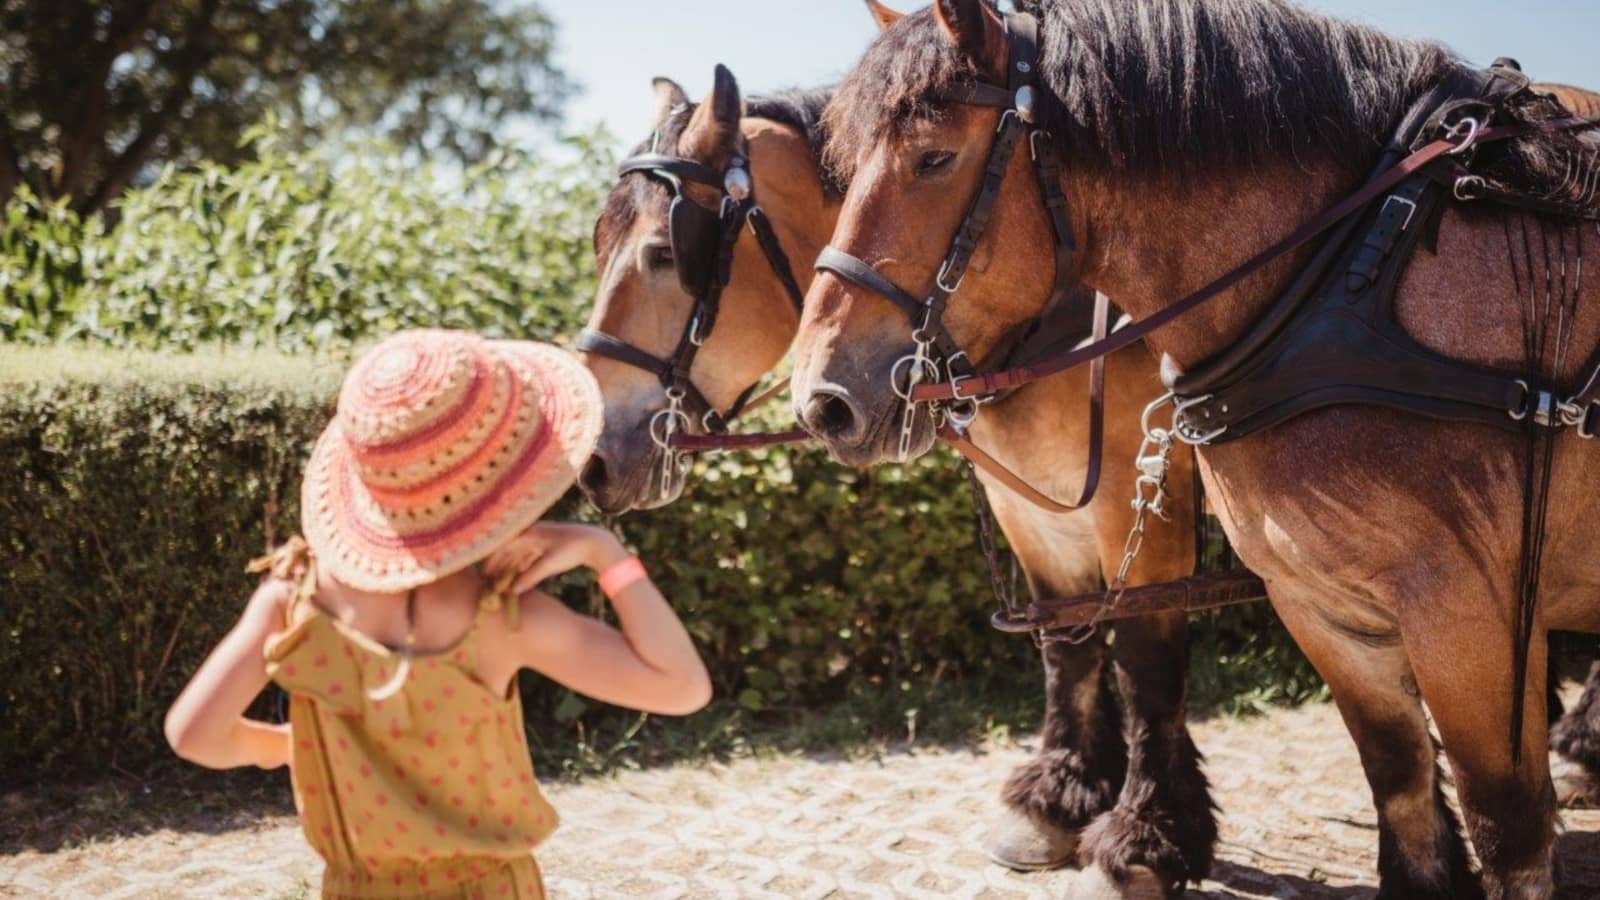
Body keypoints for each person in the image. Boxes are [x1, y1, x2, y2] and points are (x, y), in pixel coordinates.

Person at [164, 329, 712, 898]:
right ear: (499, 485)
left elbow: (193, 735)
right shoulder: (502, 620)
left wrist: (283, 745)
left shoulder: (294, 601)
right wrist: (606, 553)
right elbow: (681, 687)